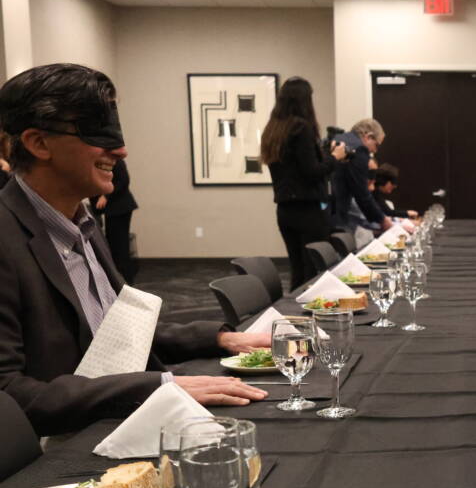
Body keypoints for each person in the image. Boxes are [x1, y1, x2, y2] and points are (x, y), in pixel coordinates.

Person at [0, 63, 268, 436]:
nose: (122, 150)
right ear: (38, 143)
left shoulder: (84, 224)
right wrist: (154, 388)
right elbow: (8, 396)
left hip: (122, 422)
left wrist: (221, 338)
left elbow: (120, 333)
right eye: (98, 131)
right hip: (60, 450)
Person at [262, 76, 348, 290]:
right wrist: (334, 158)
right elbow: (312, 172)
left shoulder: (274, 130)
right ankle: (307, 320)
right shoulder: (301, 129)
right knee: (312, 274)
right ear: (304, 100)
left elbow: (298, 168)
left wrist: (324, 156)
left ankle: (294, 319)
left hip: (285, 211)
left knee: (298, 271)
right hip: (308, 212)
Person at [330, 118, 392, 233]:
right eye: (376, 145)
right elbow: (361, 192)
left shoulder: (339, 139)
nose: (374, 151)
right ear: (368, 137)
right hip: (336, 215)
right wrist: (382, 220)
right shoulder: (359, 149)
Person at [89, 159, 137, 283]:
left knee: (119, 246)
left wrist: (106, 196)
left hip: (120, 207)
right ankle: (122, 280)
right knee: (114, 245)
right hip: (112, 209)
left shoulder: (115, 160)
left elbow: (123, 180)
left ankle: (125, 281)